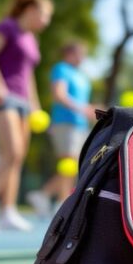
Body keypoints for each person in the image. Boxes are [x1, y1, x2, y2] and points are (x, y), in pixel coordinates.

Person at [0, 0, 54, 234]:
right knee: (11, 152)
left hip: (22, 102)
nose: (46, 21)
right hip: (2, 98)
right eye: (44, 15)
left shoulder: (32, 39)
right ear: (30, 9)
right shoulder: (7, 26)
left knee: (17, 158)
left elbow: (27, 74)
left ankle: (8, 212)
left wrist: (35, 105)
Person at [26, 42, 95, 217]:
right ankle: (49, 196)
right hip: (64, 123)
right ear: (70, 52)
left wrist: (91, 110)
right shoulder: (61, 69)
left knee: (74, 166)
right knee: (68, 163)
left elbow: (82, 102)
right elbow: (59, 95)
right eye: (80, 53)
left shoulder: (81, 76)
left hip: (80, 125)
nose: (82, 57)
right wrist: (83, 109)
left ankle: (56, 199)